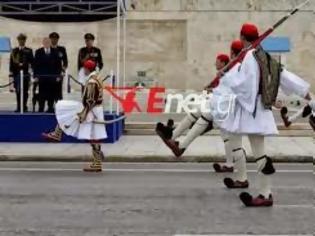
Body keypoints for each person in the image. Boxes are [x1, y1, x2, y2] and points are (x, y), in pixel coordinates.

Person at [219, 23, 311, 207]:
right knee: (259, 153)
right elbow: (285, 75)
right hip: (260, 110)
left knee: (260, 155)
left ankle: (265, 194)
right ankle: (263, 192)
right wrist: (306, 93)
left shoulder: (249, 57)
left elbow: (243, 85)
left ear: (243, 37)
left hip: (252, 111)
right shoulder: (264, 56)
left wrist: (225, 76)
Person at [156, 40, 244, 173]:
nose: (215, 63)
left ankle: (180, 145)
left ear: (231, 52)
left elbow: (231, 88)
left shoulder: (234, 68)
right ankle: (174, 138)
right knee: (224, 136)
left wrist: (218, 83)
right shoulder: (236, 67)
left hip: (225, 108)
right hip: (222, 106)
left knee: (215, 126)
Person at [42, 60, 107, 172]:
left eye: (84, 68)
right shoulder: (97, 78)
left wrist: (84, 113)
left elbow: (90, 100)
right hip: (94, 110)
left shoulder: (92, 81)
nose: (84, 70)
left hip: (91, 110)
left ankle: (57, 134)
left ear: (87, 69)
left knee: (68, 113)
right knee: (89, 133)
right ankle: (57, 133)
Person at [34, 37, 63, 113]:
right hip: (42, 78)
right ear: (43, 43)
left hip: (52, 78)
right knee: (42, 94)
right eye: (45, 42)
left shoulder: (55, 52)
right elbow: (36, 65)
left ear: (50, 43)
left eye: (48, 42)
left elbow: (58, 65)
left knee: (51, 94)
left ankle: (50, 107)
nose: (46, 44)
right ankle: (41, 108)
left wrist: (58, 76)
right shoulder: (38, 52)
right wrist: (36, 76)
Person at [9, 33, 34, 112]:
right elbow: (11, 63)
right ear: (18, 40)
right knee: (18, 91)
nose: (21, 41)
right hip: (17, 74)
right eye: (20, 40)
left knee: (25, 91)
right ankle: (19, 106)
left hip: (25, 74)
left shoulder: (29, 50)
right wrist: (12, 74)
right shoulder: (14, 50)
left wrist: (31, 71)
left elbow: (32, 62)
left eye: (23, 40)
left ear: (25, 41)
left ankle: (24, 106)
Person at [49, 32, 68, 101]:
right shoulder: (47, 49)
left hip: (58, 73)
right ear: (50, 39)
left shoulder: (61, 49)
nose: (54, 40)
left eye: (56, 38)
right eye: (52, 38)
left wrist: (63, 70)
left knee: (58, 89)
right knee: (50, 90)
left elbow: (65, 61)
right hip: (49, 73)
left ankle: (59, 105)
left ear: (58, 39)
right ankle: (50, 107)